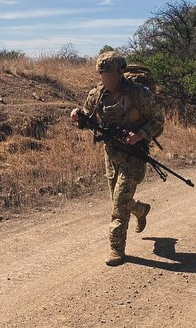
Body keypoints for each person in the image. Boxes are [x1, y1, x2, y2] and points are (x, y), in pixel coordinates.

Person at [71, 51, 165, 266]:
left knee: (118, 206)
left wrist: (140, 134)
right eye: (103, 75)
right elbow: (88, 117)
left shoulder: (139, 94)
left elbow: (158, 120)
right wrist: (78, 116)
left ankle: (117, 250)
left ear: (121, 72)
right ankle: (141, 210)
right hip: (111, 155)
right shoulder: (97, 95)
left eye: (110, 75)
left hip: (134, 155)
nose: (107, 80)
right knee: (118, 200)